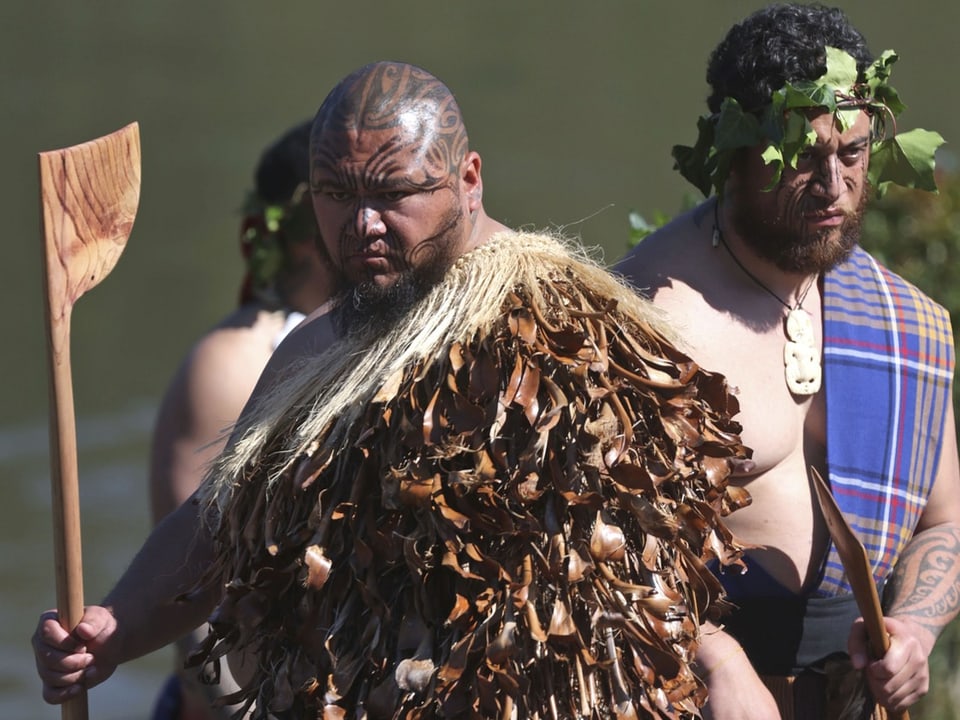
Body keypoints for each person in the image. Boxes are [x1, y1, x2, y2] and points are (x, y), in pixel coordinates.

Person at [34, 61, 751, 719]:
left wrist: (720, 661)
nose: (363, 225)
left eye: (394, 192)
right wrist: (114, 626)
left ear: (469, 180)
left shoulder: (565, 335)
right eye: (336, 195)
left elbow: (651, 578)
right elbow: (222, 524)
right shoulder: (316, 348)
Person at [615, 4, 960, 719]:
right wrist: (715, 656)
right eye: (801, 156)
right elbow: (583, 536)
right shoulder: (651, 315)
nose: (833, 185)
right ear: (733, 153)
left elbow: (944, 522)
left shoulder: (905, 322)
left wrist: (917, 629)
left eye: (853, 153)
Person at [148, 122, 335, 719]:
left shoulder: (374, 340)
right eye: (349, 199)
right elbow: (196, 605)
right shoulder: (233, 363)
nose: (374, 220)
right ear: (306, 234)